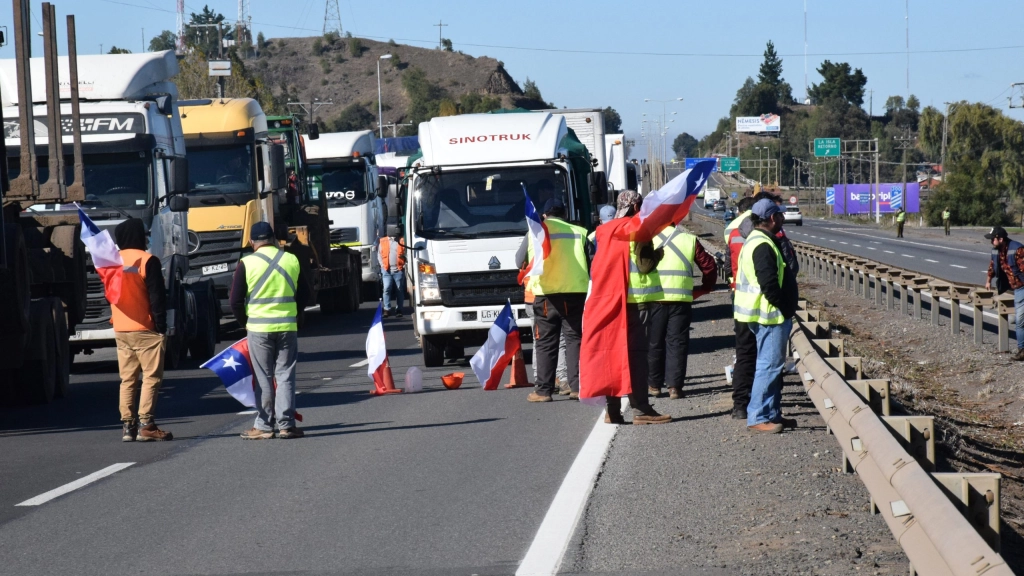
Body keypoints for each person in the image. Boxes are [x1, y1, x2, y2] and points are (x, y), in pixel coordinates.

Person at [579, 190, 672, 425]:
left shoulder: (604, 230)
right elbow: (644, 266)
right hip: (636, 301)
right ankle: (641, 409)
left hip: (609, 300)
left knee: (612, 354)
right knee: (637, 358)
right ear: (635, 206)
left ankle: (613, 410)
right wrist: (658, 254)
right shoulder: (637, 228)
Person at [230, 222, 310, 439]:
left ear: (251, 242)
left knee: (263, 377)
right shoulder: (290, 259)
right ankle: (286, 425)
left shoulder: (246, 263)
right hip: (286, 326)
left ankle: (265, 426)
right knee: (285, 375)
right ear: (274, 239)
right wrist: (294, 312)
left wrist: (245, 322)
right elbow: (305, 293)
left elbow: (235, 300)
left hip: (258, 328)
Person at [734, 199, 799, 434]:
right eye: (780, 215)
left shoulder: (757, 240)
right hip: (769, 316)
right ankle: (758, 416)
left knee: (771, 366)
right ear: (772, 218)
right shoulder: (762, 244)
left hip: (763, 314)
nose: (783, 219)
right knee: (768, 367)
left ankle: (771, 413)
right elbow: (769, 284)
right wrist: (784, 307)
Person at [516, 198, 591, 402]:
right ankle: (577, 387)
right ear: (565, 214)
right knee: (575, 339)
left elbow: (518, 260)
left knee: (546, 343)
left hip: (546, 295)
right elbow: (591, 261)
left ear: (545, 214)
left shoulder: (536, 231)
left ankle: (543, 391)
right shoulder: (579, 232)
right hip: (575, 293)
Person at [112, 218, 172, 442]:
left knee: (127, 379)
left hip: (121, 328)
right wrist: (161, 327)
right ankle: (147, 424)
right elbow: (157, 298)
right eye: (144, 235)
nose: (147, 238)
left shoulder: (111, 262)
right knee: (151, 377)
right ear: (138, 236)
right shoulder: (147, 260)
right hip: (145, 328)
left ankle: (128, 427)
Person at [647, 223, 718, 399]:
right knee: (677, 343)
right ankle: (675, 387)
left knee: (654, 343)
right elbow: (708, 265)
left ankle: (654, 385)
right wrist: (705, 287)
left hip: (654, 299)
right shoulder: (689, 240)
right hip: (681, 300)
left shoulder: (648, 239)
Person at [727, 196, 758, 420]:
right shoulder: (768, 231)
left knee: (744, 353)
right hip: (765, 304)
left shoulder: (732, 230)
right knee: (766, 357)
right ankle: (761, 405)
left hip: (740, 298)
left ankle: (740, 405)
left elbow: (729, 265)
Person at [984, 226, 1024, 361]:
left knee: (1019, 321)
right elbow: (992, 266)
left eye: (992, 239)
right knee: (1020, 320)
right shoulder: (996, 251)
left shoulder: (1017, 249)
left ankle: (1022, 350)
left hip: (1022, 287)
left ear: (1000, 239)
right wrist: (988, 280)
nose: (991, 242)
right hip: (1016, 288)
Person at [379, 225, 406, 318]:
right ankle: (387, 309)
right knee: (386, 288)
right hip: (386, 270)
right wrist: (382, 265)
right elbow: (379, 254)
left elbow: (406, 253)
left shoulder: (401, 240)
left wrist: (404, 264)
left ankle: (399, 309)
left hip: (398, 269)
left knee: (399, 289)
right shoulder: (383, 241)